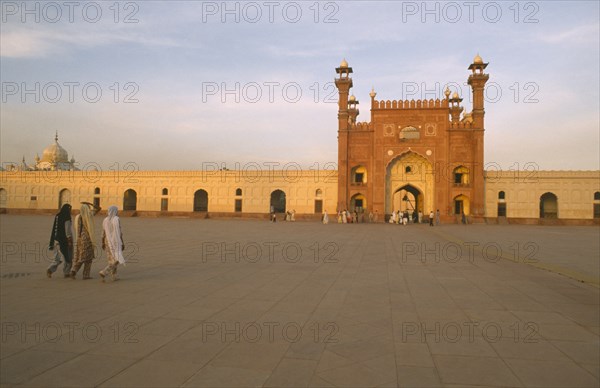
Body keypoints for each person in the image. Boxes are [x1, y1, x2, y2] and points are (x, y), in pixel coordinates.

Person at [70, 202, 100, 279]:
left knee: (83, 256)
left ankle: (75, 270)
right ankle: (80, 272)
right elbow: (98, 208)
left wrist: (79, 238)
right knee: (87, 258)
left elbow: (79, 229)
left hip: (80, 238)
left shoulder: (79, 217)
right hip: (88, 238)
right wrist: (90, 204)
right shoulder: (88, 216)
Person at [47, 204, 73, 278]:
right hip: (64, 240)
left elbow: (55, 227)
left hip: (56, 239)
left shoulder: (58, 216)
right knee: (67, 257)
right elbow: (67, 230)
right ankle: (66, 272)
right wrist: (69, 240)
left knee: (57, 257)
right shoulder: (67, 217)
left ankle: (50, 269)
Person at [100, 206, 126, 281]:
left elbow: (103, 232)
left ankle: (114, 276)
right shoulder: (116, 219)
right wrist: (122, 242)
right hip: (115, 241)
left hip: (107, 240)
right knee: (117, 258)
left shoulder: (105, 220)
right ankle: (105, 271)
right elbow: (119, 232)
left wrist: (102, 242)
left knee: (111, 259)